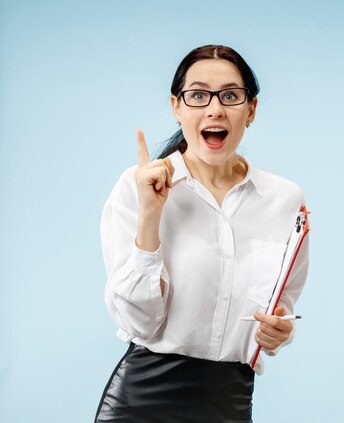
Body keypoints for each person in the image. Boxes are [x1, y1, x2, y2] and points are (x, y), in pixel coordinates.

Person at [95, 45, 309, 423]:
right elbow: (137, 324)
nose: (215, 109)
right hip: (143, 400)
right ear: (176, 107)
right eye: (197, 95)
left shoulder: (285, 200)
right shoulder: (138, 187)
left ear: (251, 109)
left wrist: (281, 332)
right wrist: (150, 215)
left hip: (230, 401)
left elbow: (281, 307)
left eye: (230, 95)